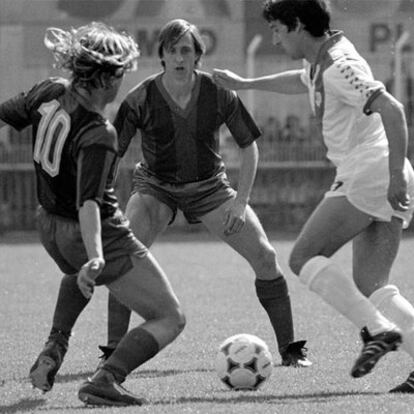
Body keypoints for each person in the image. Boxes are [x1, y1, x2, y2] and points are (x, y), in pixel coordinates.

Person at [213, 0, 414, 391]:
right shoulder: (321, 61)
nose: (273, 39)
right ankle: (388, 333)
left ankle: (376, 331)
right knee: (372, 283)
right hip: (375, 171)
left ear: (299, 25)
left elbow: (392, 109)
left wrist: (393, 176)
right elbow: (301, 79)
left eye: (277, 30)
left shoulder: (339, 64)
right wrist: (246, 84)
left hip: (370, 169)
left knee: (303, 256)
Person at [97, 18, 311, 369]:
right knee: (123, 260)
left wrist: (240, 201)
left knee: (266, 256)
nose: (179, 57)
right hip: (155, 188)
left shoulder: (218, 92)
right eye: (172, 50)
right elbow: (112, 154)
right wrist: (107, 206)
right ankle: (111, 355)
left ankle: (290, 350)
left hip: (211, 188)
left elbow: (250, 148)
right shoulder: (139, 99)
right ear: (162, 56)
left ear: (198, 56)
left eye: (186, 50)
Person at [0, 22, 186, 406]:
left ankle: (55, 346)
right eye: (121, 73)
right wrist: (98, 253)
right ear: (106, 77)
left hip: (48, 225)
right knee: (169, 317)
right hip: (93, 230)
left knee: (77, 273)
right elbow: (89, 203)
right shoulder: (99, 131)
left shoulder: (48, 90)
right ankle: (106, 379)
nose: (122, 82)